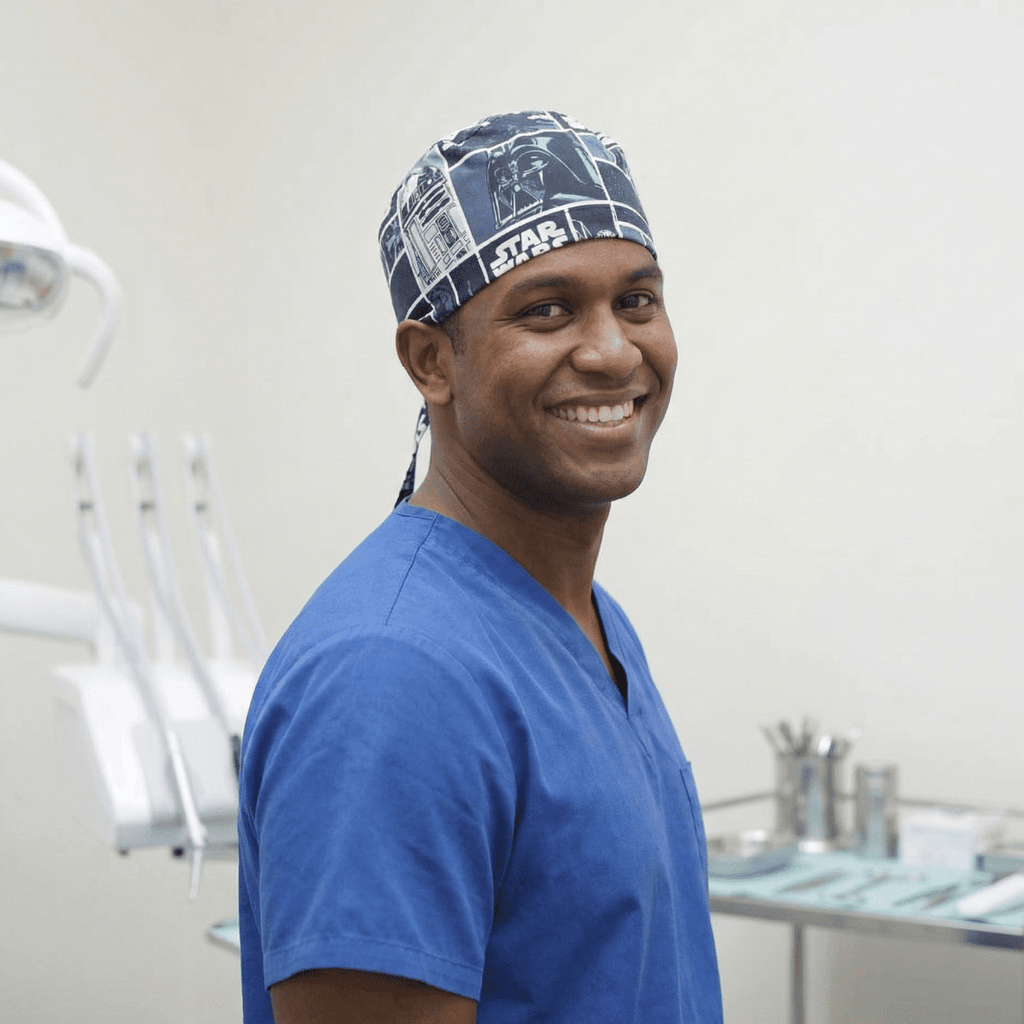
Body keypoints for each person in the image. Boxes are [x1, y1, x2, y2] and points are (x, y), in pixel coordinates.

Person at [238, 110, 723, 1024]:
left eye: (636, 301)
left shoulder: (591, 622)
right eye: (547, 311)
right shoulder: (393, 675)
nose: (612, 351)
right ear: (432, 362)